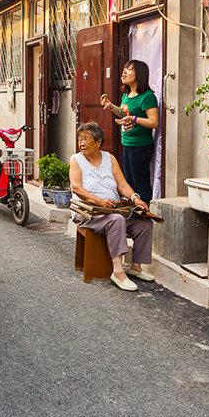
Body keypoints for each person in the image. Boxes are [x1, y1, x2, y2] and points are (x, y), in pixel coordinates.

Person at [70, 122, 155, 292]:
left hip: (113, 209)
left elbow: (122, 185)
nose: (82, 143)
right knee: (116, 221)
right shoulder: (76, 160)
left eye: (86, 139)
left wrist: (135, 198)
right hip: (88, 211)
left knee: (144, 222)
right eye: (80, 140)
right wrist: (99, 201)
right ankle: (118, 272)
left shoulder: (110, 158)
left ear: (98, 142)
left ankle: (136, 267)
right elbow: (77, 188)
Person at [100, 60, 159, 206]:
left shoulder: (147, 96)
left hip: (140, 146)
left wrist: (134, 118)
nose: (124, 72)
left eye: (129, 69)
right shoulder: (127, 95)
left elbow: (154, 122)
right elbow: (124, 113)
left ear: (139, 74)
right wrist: (111, 106)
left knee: (141, 185)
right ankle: (133, 217)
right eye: (124, 69)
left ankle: (144, 219)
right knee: (129, 184)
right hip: (127, 143)